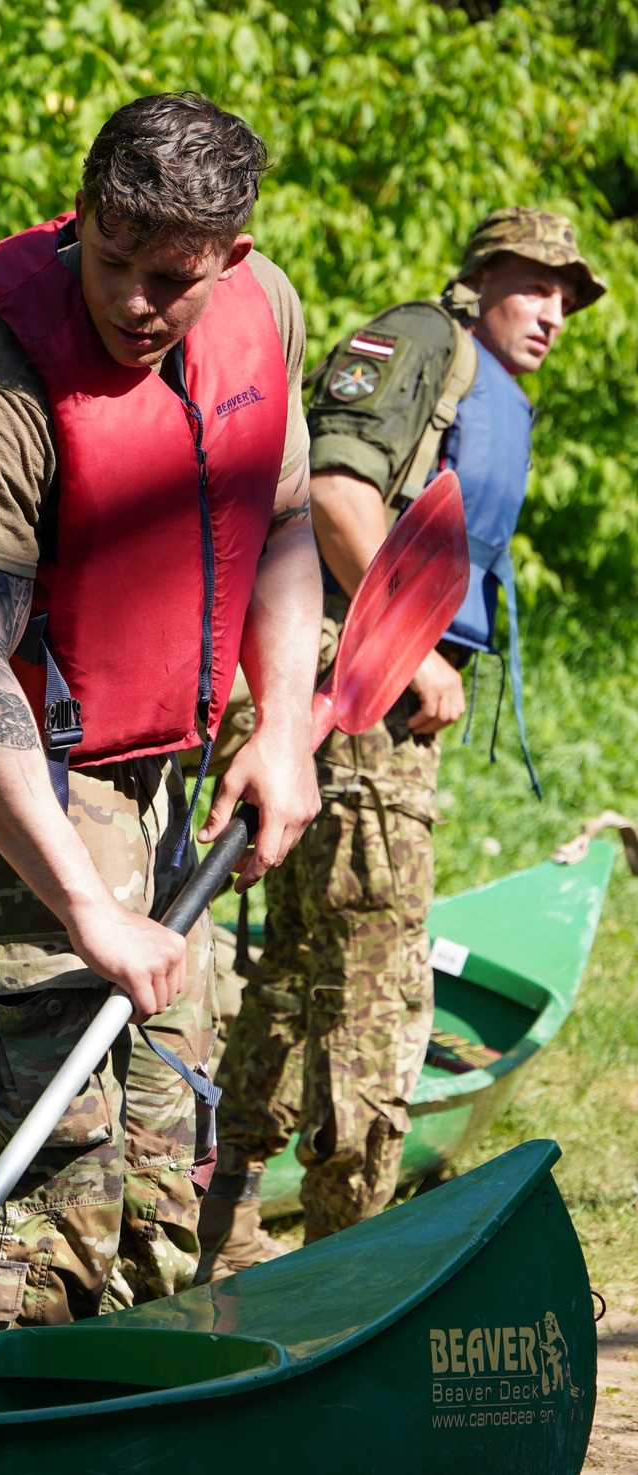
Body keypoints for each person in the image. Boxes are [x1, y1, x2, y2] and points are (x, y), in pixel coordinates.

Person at [0, 92, 323, 1347]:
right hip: (6, 784)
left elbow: (282, 525)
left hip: (160, 771)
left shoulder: (261, 312)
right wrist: (84, 906)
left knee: (171, 1179)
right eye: (109, 263)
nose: (132, 303)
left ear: (230, 252)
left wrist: (279, 730)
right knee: (43, 1197)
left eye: (168, 279)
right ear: (84, 221)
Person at [197, 207, 606, 1278]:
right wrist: (413, 645)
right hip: (348, 675)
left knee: (296, 966)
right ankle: (352, 1258)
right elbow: (333, 489)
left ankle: (225, 1231)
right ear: (480, 278)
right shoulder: (425, 342)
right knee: (376, 974)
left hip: (360, 687)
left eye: (568, 295)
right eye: (535, 284)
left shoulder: (485, 380)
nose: (553, 310)